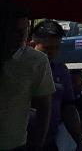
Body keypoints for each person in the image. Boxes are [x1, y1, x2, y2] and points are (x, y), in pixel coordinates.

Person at [26, 19, 82, 150]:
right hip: (21, 142)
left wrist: (79, 141)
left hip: (49, 142)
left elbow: (68, 108)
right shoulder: (21, 70)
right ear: (32, 45)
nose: (52, 53)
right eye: (47, 48)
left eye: (56, 47)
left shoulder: (61, 71)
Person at [3, 13, 54, 151]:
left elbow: (44, 107)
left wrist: (38, 143)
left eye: (24, 31)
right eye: (14, 31)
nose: (20, 36)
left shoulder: (36, 61)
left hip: (14, 144)